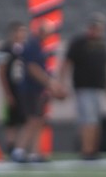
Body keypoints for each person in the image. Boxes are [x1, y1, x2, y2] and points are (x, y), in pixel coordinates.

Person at [59, 13, 106, 160]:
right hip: (83, 87)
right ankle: (86, 149)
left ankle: (93, 149)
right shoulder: (79, 42)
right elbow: (66, 63)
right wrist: (62, 82)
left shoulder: (103, 43)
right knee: (88, 119)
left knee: (96, 120)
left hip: (98, 86)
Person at [13, 19, 66, 162]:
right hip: (30, 89)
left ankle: (34, 152)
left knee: (38, 120)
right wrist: (50, 84)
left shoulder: (37, 45)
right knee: (32, 120)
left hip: (36, 89)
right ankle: (19, 150)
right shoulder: (33, 45)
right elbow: (33, 68)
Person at [0, 21, 28, 155]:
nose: (22, 35)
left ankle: (21, 147)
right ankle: (11, 147)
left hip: (25, 90)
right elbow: (1, 72)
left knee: (25, 120)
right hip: (12, 89)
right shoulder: (4, 49)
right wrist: (7, 93)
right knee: (11, 121)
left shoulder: (25, 48)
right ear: (12, 33)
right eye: (19, 31)